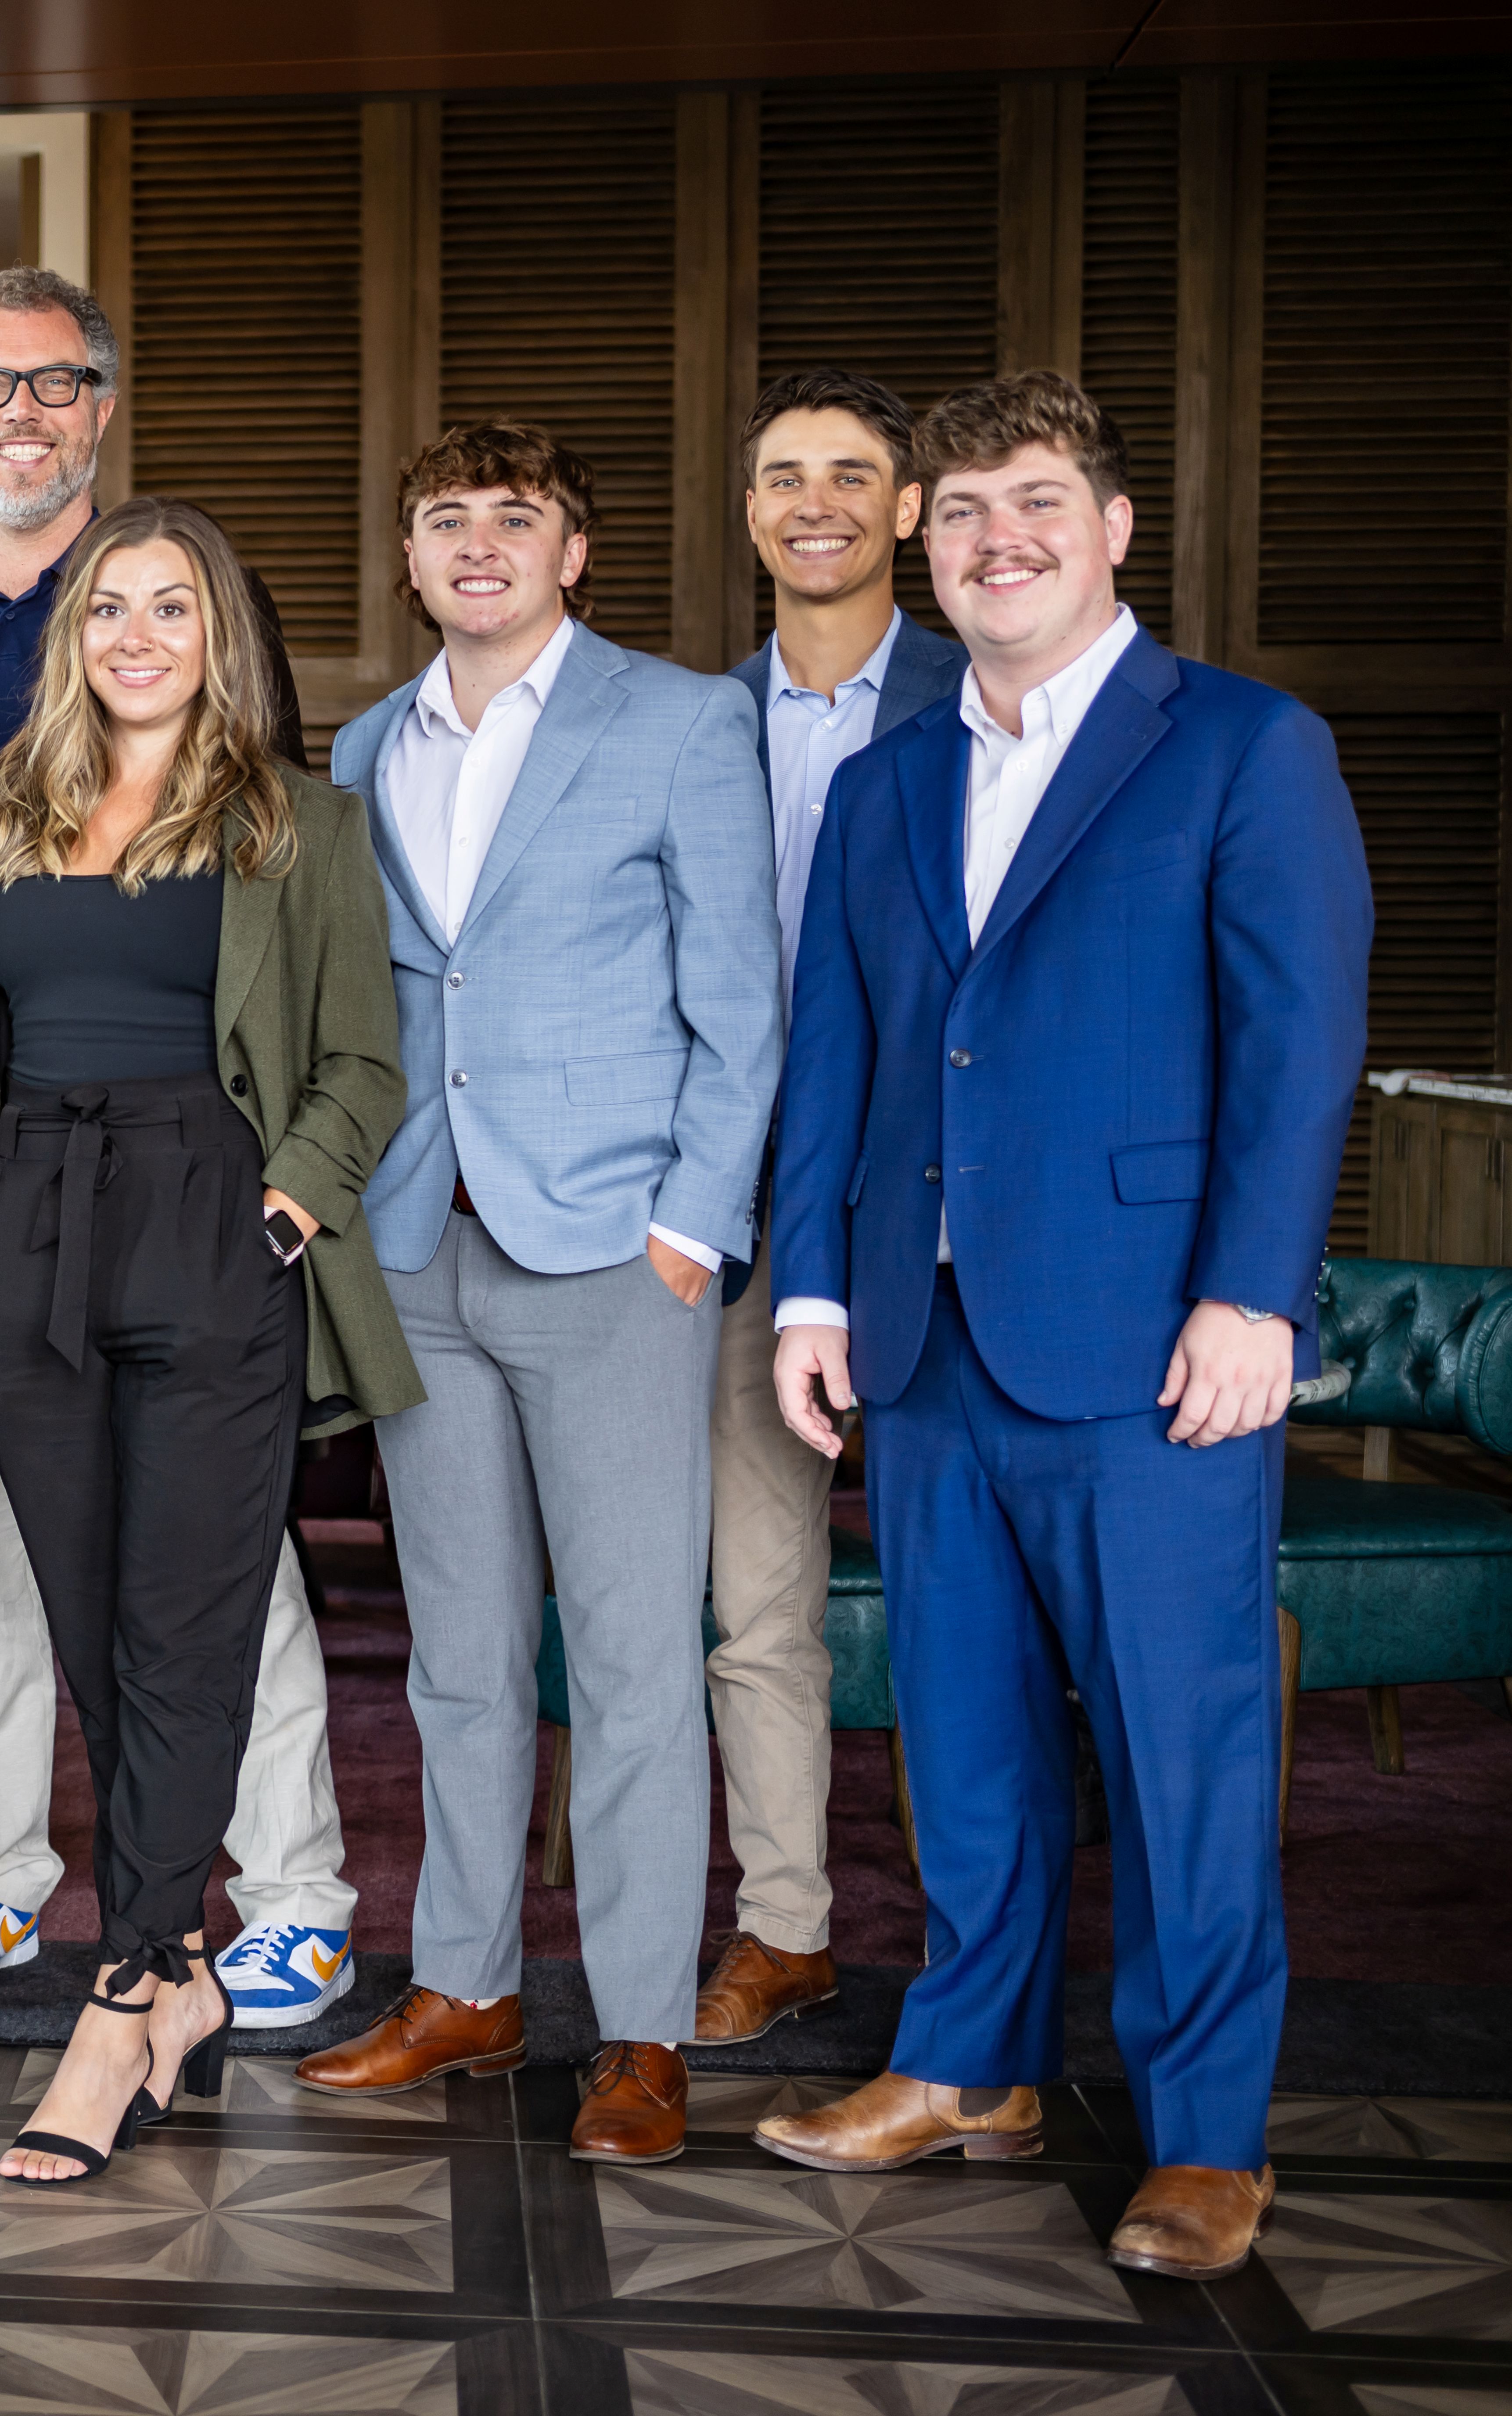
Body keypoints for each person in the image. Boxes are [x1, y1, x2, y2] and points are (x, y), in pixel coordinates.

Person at [757, 371, 1368, 2282]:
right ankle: (971, 2061)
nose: (994, 538)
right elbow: (838, 1056)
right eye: (960, 514)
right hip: (928, 1345)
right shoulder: (888, 780)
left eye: (1035, 501)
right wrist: (815, 1282)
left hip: (1158, 1344)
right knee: (967, 1737)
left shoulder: (1245, 748)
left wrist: (1257, 1289)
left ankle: (1204, 2133)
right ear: (926, 556)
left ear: (1113, 531)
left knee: (1186, 1750)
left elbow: (1297, 1040)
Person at [0, 265, 362, 2033]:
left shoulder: (189, 609)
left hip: (194, 1188)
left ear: (102, 409)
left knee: (220, 1572)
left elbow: (314, 966)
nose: (22, 415)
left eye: (57, 385)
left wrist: (281, 1190)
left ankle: (281, 1893)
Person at [295, 422, 778, 2165]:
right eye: (446, 520)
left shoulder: (679, 721)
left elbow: (745, 1000)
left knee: (640, 1655)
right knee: (460, 1654)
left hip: (614, 1257)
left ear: (576, 551)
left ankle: (641, 2024)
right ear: (411, 559)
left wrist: (691, 1227)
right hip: (425, 1250)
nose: (480, 544)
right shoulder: (364, 745)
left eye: (518, 517)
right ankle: (468, 1982)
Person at [0, 498, 418, 2183]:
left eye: (175, 609)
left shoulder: (299, 822)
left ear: (224, 637)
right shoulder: (6, 820)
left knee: (187, 1626)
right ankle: (183, 1972)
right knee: (89, 1625)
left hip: (210, 1213)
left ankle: (123, 1996)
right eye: (111, 609)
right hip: (28, 1227)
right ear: (75, 638)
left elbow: (363, 1059)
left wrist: (284, 1201)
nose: (139, 636)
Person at [694, 370, 966, 2045]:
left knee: (968, 1591)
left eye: (853, 476)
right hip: (744, 1207)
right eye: (785, 477)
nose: (818, 503)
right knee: (760, 1592)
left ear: (909, 509)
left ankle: (983, 1959)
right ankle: (785, 1921)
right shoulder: (689, 720)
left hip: (944, 1207)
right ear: (749, 515)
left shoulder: (983, 691)